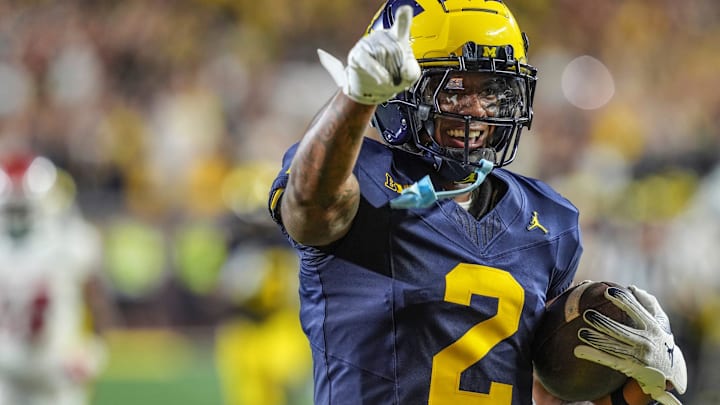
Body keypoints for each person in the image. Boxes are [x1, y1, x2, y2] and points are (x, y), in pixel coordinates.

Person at [267, 1, 687, 404]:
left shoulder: (549, 219)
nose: (476, 110)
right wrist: (355, 98)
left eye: (493, 90)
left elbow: (539, 385)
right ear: (398, 92)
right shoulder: (356, 178)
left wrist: (616, 383)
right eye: (452, 90)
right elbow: (310, 208)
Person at [0, 151, 115, 405]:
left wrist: (96, 346)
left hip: (48, 368)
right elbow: (98, 301)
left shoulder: (68, 244)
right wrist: (97, 348)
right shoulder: (70, 241)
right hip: (34, 368)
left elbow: (97, 301)